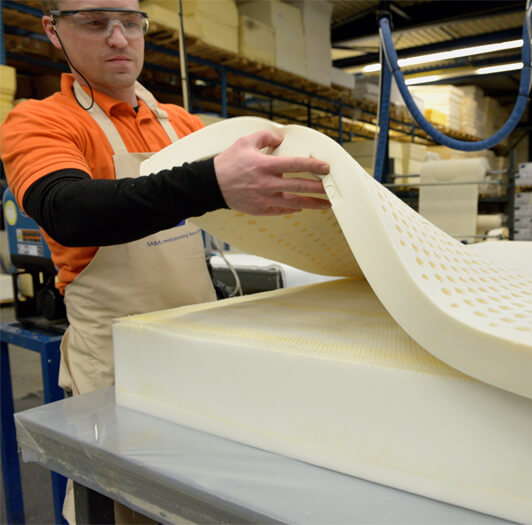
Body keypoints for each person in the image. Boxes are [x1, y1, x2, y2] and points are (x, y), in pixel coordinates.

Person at [1, 0, 330, 521]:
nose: (117, 38)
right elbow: (70, 211)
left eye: (130, 23)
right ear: (54, 31)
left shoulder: (180, 124)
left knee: (200, 501)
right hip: (115, 364)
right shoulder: (40, 121)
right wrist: (212, 182)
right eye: (94, 22)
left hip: (196, 349)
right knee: (128, 505)